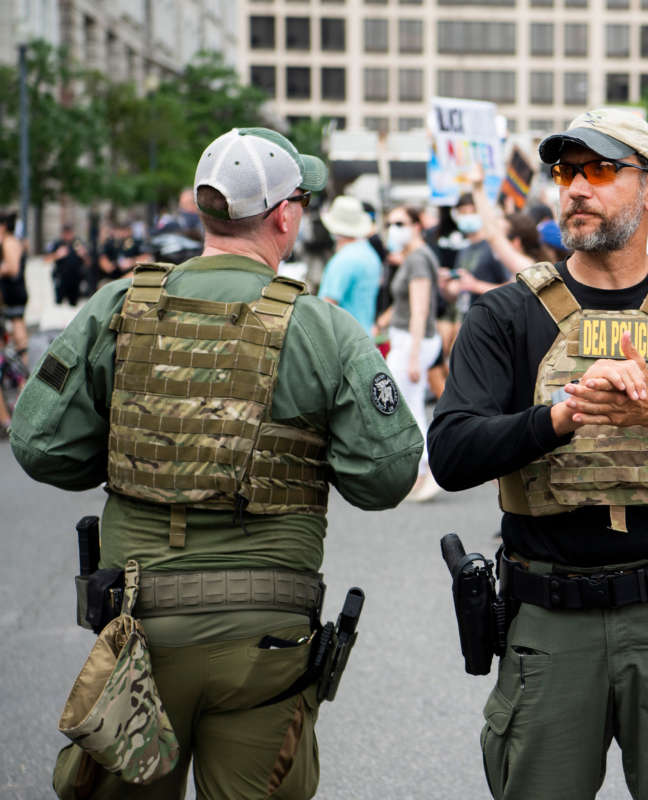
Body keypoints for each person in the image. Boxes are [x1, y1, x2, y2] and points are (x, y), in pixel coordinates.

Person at [10, 126, 422, 800]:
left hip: (138, 631)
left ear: (205, 208)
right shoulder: (321, 328)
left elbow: (39, 443)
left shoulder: (119, 306)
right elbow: (386, 477)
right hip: (266, 641)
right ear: (285, 215)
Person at [427, 108, 648, 800]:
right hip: (549, 619)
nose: (575, 189)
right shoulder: (507, 316)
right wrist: (560, 417)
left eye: (599, 170)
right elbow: (449, 451)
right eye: (565, 172)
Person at [376, 205, 443, 503]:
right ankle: (421, 472)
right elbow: (407, 303)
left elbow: (420, 309)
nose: (394, 228)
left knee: (410, 409)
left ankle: (430, 471)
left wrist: (414, 356)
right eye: (391, 223)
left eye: (400, 222)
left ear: (417, 225)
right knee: (410, 406)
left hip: (413, 342)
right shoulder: (414, 257)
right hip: (408, 339)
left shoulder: (417, 259)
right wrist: (386, 319)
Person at [317, 195, 383, 333]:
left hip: (343, 343)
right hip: (363, 337)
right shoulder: (369, 253)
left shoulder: (343, 260)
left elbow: (327, 307)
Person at [1, 211, 29, 367]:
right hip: (16, 291)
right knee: (17, 329)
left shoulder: (9, 242)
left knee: (18, 328)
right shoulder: (14, 241)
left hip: (13, 292)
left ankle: (22, 371)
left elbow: (13, 269)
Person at [48, 223, 90, 306]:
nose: (68, 235)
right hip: (61, 278)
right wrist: (57, 255)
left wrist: (83, 254)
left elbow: (88, 262)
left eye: (69, 233)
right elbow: (46, 259)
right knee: (58, 304)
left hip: (75, 278)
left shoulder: (78, 243)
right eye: (65, 233)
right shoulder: (57, 243)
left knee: (74, 303)